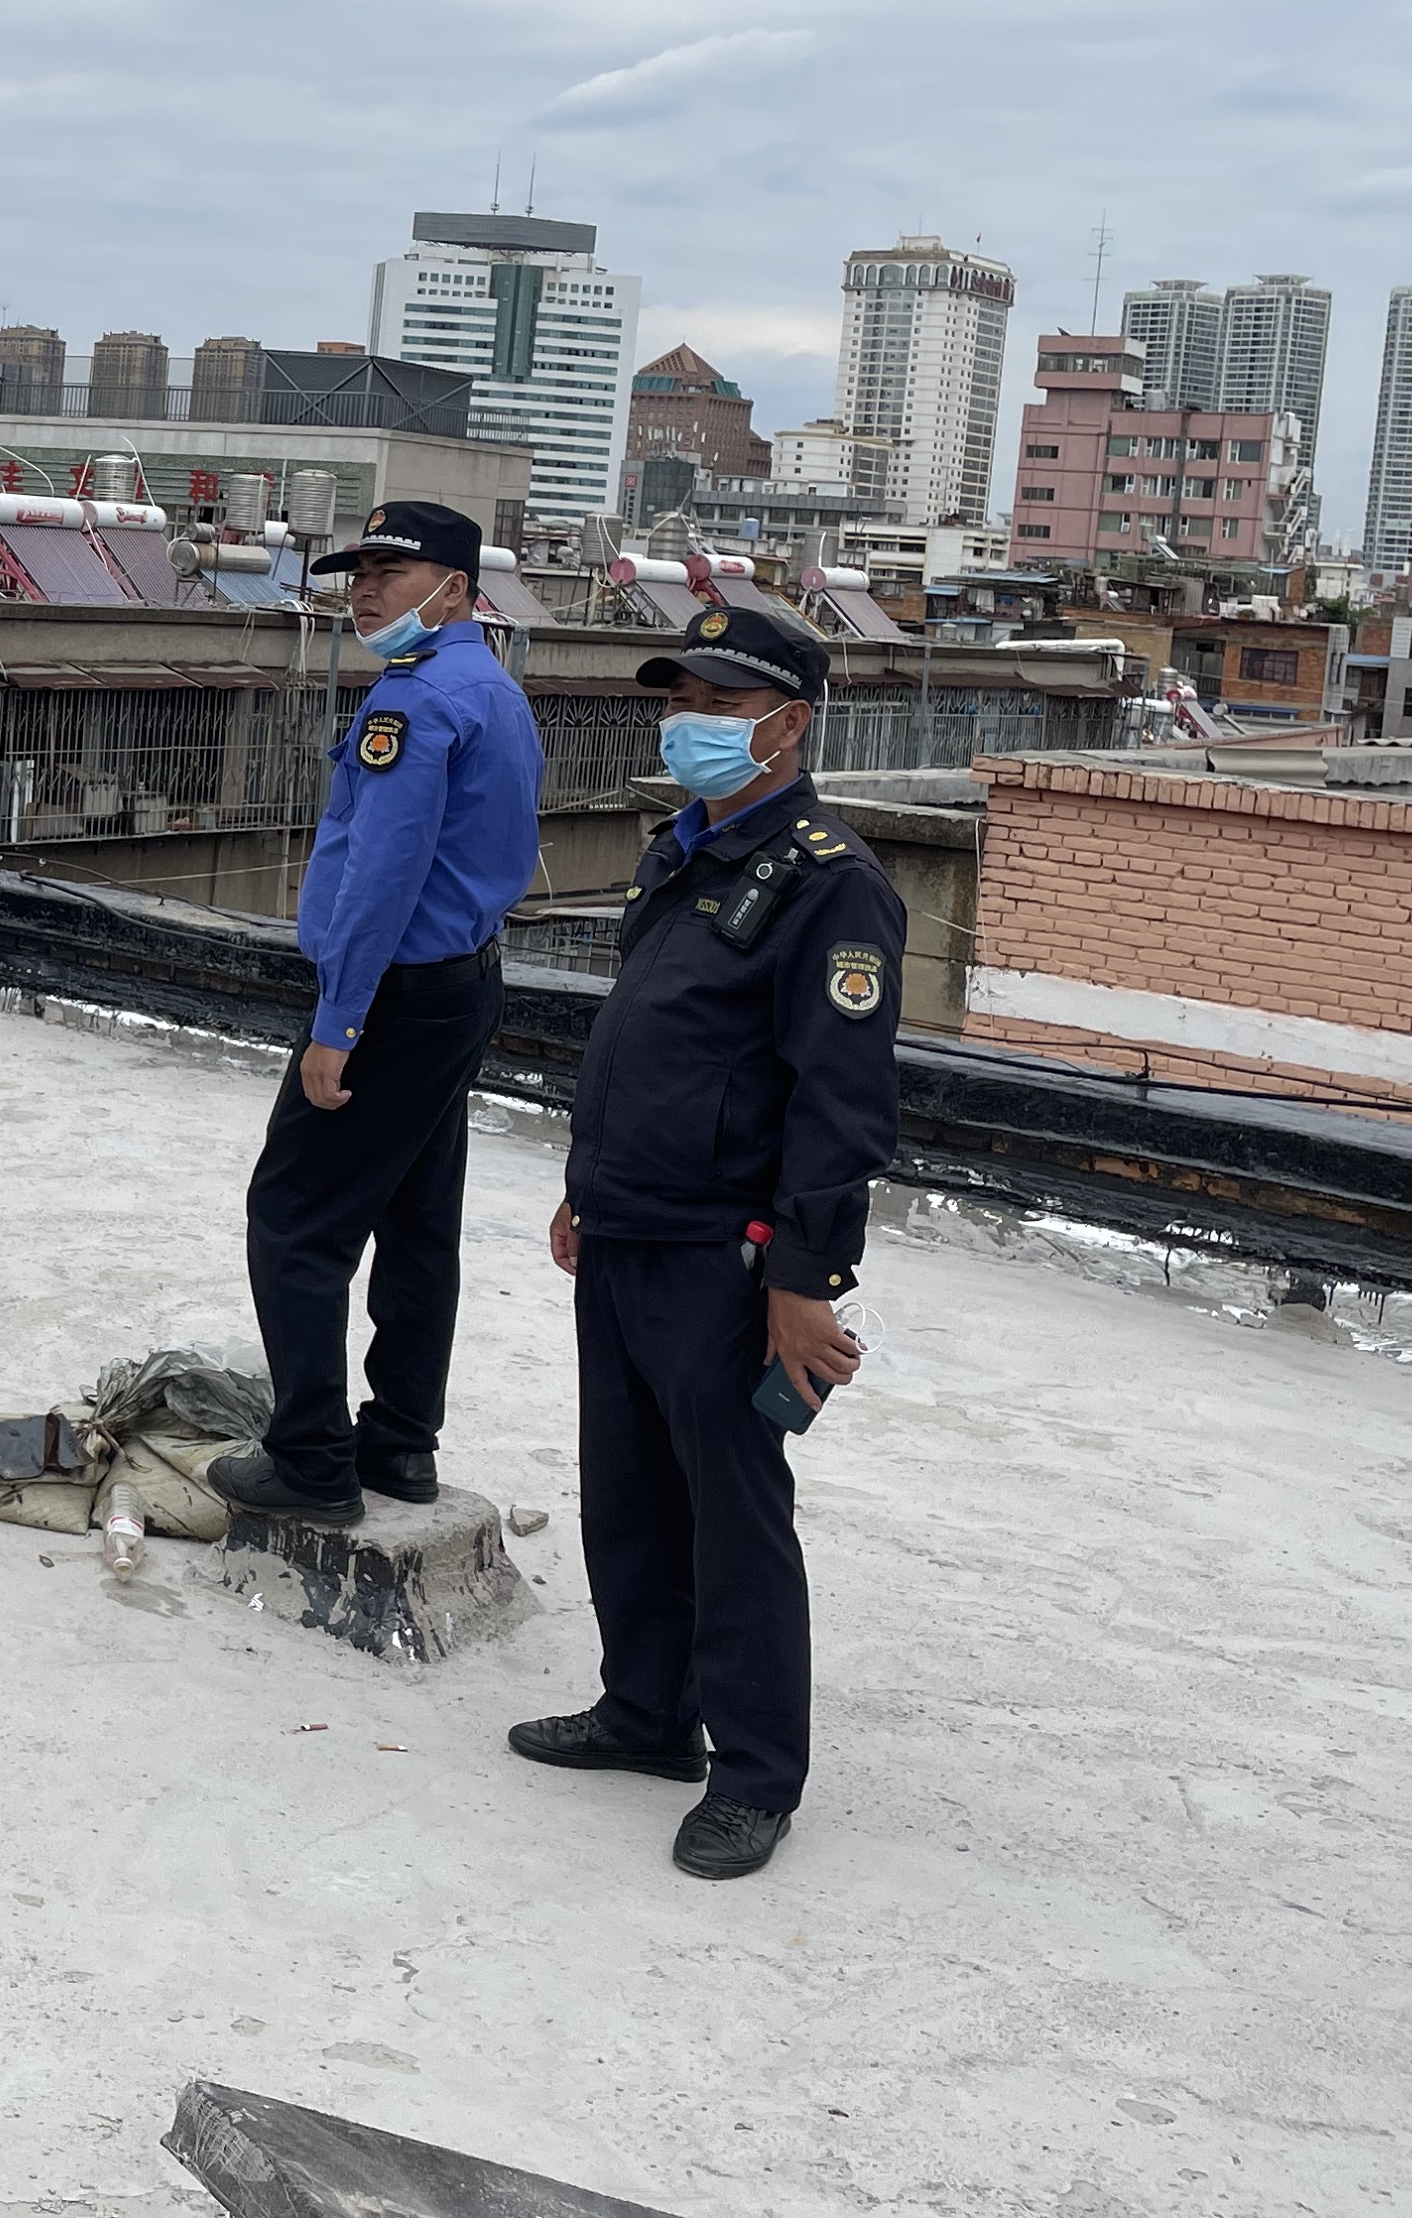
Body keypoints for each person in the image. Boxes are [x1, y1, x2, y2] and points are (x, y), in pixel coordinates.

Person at [511, 598, 906, 1883]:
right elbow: (646, 1041)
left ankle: (753, 1776)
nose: (690, 724)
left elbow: (841, 1107)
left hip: (725, 1253)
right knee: (629, 1491)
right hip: (629, 1222)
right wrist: (585, 1186)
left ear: (789, 725)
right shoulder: (681, 852)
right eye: (680, 703)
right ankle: (645, 1712)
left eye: (723, 707)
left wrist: (804, 1279)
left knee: (733, 1518)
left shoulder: (832, 885)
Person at [207, 500, 545, 1523]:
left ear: (455, 587)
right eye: (357, 575)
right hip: (459, 984)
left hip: (394, 995)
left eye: (389, 573)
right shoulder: (491, 687)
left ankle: (311, 1463)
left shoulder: (419, 699)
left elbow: (382, 874)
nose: (364, 592)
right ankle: (399, 1445)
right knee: (415, 1221)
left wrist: (338, 1023)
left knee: (294, 1222)